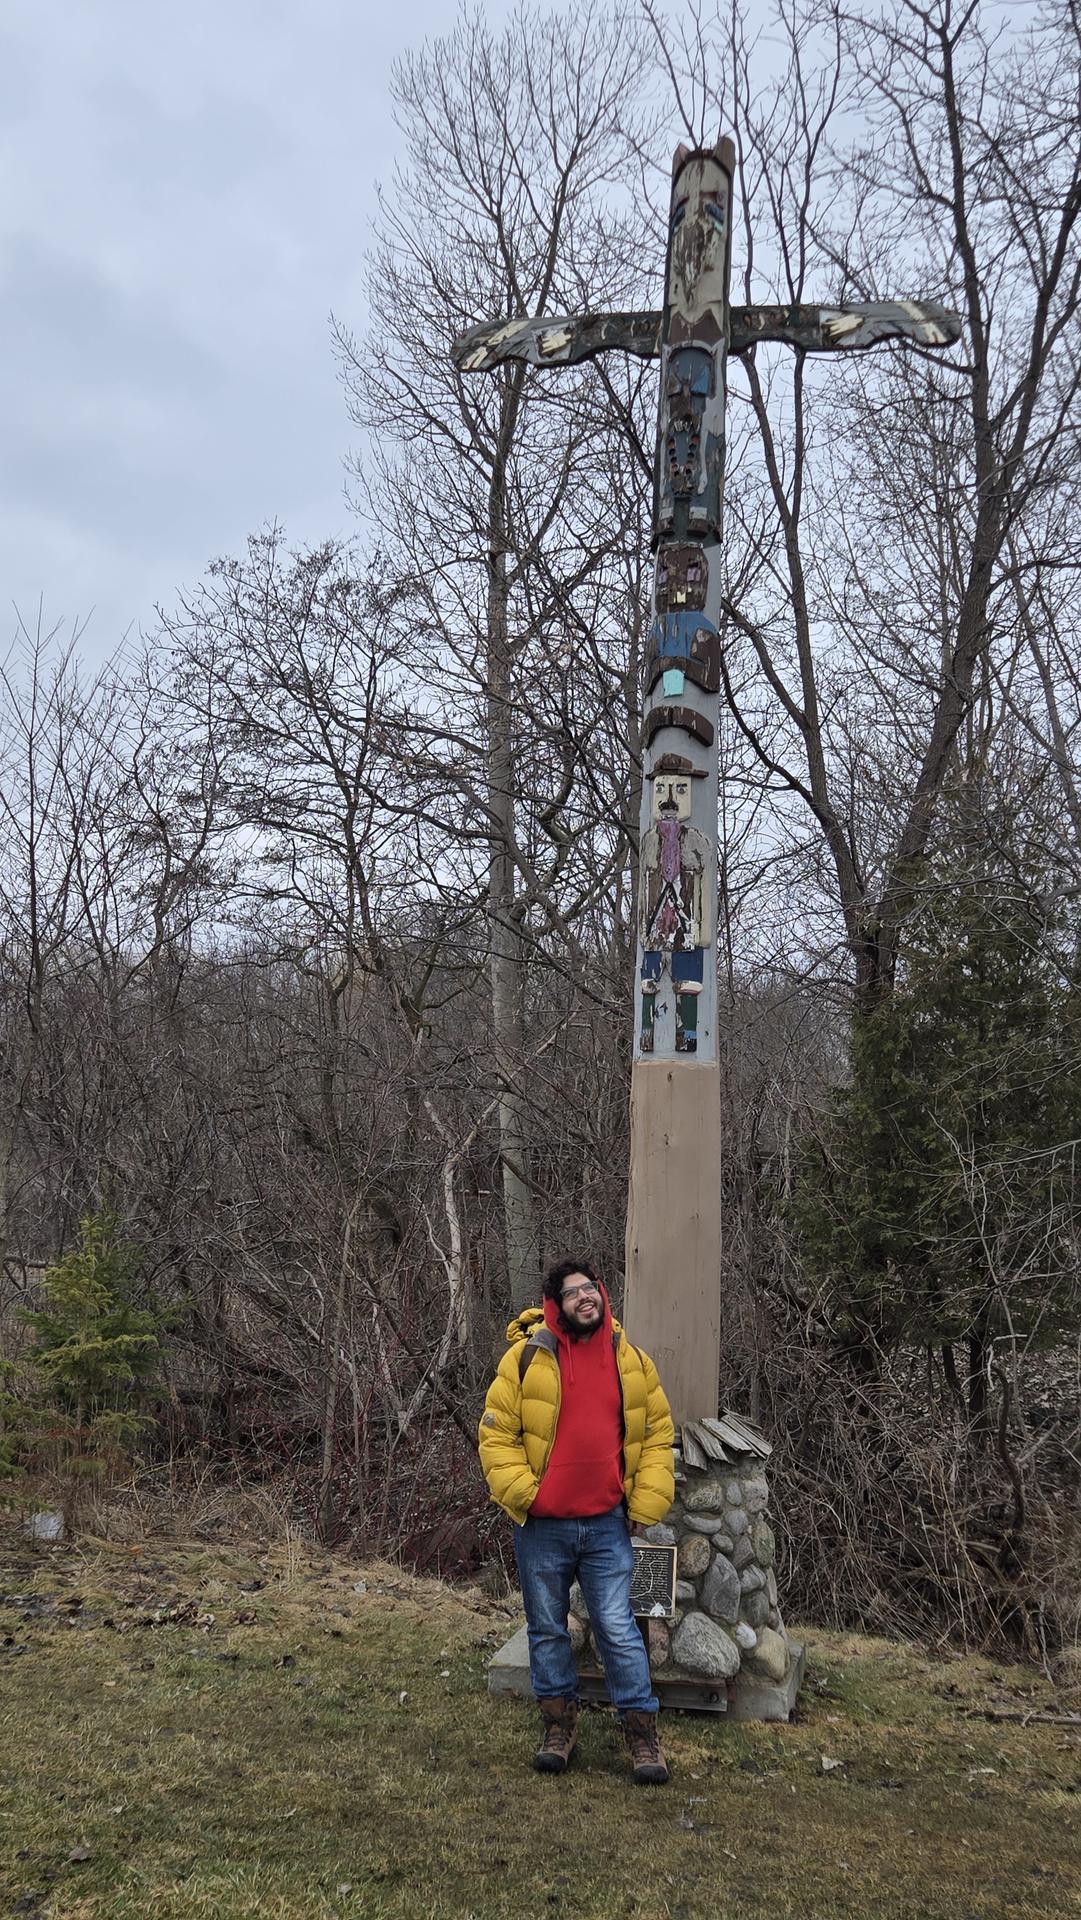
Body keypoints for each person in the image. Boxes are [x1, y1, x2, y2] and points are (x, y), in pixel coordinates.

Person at [478, 1257, 675, 1784]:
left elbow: (658, 1432)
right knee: (547, 1629)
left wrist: (644, 1504)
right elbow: (496, 1434)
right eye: (573, 1292)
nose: (586, 1296)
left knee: (618, 1628)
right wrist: (528, 1495)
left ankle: (641, 1735)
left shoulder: (631, 1360)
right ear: (555, 1305)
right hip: (542, 1528)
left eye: (591, 1288)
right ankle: (558, 1727)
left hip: (608, 1523)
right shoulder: (525, 1359)